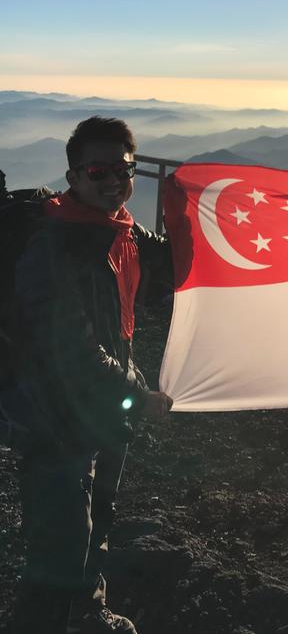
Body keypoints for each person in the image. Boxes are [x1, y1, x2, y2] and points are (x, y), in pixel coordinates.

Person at [11, 117, 174, 634]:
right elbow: (71, 352)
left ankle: (86, 610)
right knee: (59, 546)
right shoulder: (53, 245)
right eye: (98, 170)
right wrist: (138, 393)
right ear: (72, 176)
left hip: (103, 412)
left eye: (124, 169)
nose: (113, 180)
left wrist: (204, 208)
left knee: (98, 517)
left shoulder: (119, 231)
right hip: (55, 422)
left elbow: (175, 263)